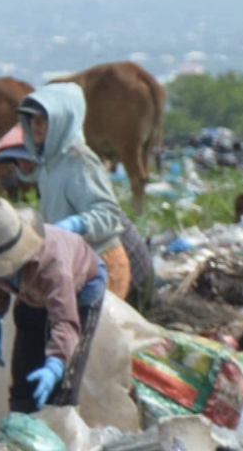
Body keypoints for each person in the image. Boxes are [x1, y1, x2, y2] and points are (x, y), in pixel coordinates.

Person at [15, 81, 156, 310]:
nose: (35, 125)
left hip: (103, 264)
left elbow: (108, 214)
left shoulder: (79, 160)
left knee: (96, 338)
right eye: (31, 119)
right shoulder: (51, 164)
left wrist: (75, 224)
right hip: (79, 265)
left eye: (43, 118)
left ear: (62, 120)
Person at [0, 198, 107, 411]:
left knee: (61, 389)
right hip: (30, 293)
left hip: (82, 287)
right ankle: (21, 424)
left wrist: (55, 364)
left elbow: (65, 321)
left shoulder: (54, 267)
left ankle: (59, 425)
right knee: (24, 377)